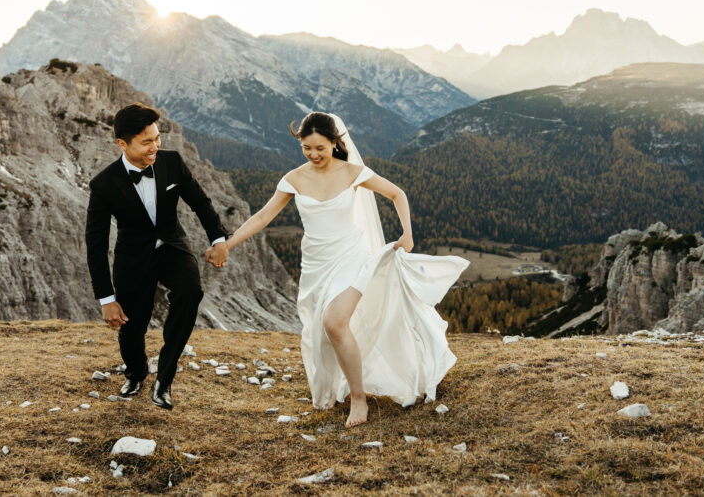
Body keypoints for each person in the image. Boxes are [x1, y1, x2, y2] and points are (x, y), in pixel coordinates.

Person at [210, 112, 468, 427]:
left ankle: (358, 400)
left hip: (353, 258)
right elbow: (262, 217)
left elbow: (396, 193)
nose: (314, 154)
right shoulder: (294, 179)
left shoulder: (353, 172)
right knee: (323, 333)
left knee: (334, 322)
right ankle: (343, 385)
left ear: (335, 142)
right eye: (307, 148)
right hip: (316, 265)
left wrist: (407, 233)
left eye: (320, 147)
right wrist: (228, 244)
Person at [85, 103, 229, 410]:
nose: (156, 146)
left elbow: (200, 203)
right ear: (122, 144)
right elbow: (95, 245)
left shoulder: (172, 162)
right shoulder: (103, 184)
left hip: (172, 246)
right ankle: (136, 373)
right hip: (133, 256)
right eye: (146, 142)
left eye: (157, 138)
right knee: (132, 326)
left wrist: (218, 239)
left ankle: (165, 378)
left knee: (191, 292)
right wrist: (105, 299)